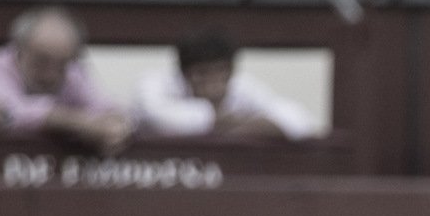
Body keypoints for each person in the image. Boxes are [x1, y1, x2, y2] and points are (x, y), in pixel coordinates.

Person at [134, 32, 319, 141]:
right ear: (184, 74)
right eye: (202, 73)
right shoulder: (156, 83)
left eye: (220, 72)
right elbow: (157, 116)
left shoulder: (242, 86)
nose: (213, 81)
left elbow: (299, 120)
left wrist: (239, 129)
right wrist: (219, 121)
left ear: (231, 71)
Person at [0, 8, 133, 155]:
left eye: (61, 65)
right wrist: (78, 123)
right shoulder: (2, 67)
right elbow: (11, 114)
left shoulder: (72, 70)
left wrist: (115, 125)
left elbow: (103, 105)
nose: (51, 75)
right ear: (20, 48)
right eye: (41, 61)